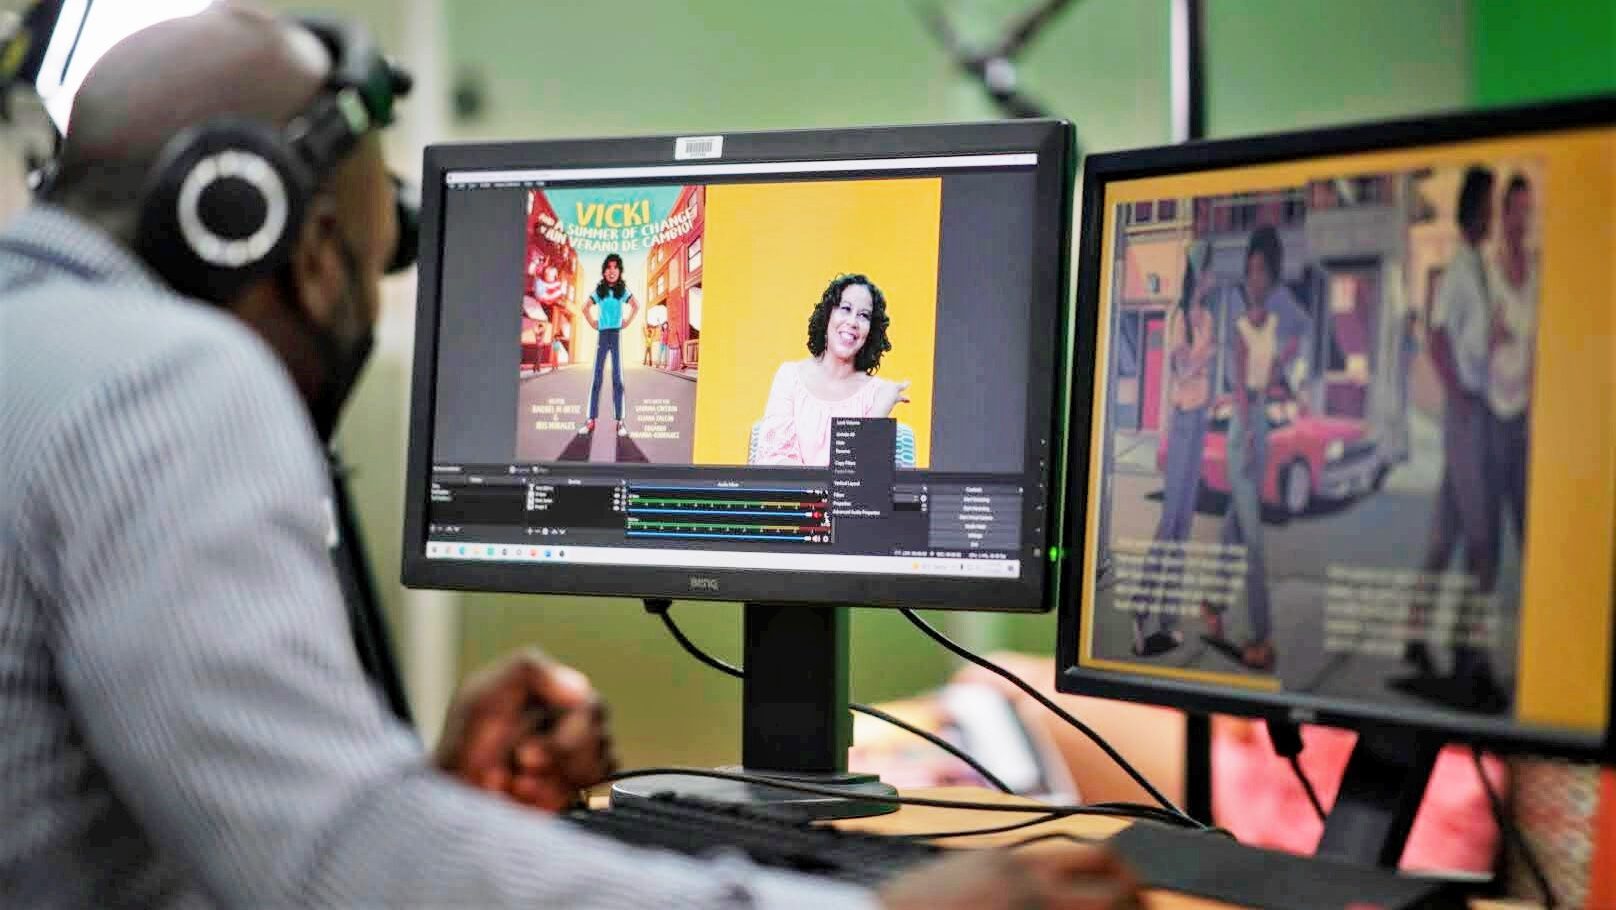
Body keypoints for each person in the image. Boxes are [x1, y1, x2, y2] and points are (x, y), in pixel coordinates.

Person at [0, 6, 1140, 908]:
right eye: (362, 256)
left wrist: (424, 802)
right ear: (273, 237)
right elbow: (331, 865)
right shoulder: (159, 381)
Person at [1403, 166, 1505, 713]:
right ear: (1475, 209)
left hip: (1477, 411)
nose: (1494, 215)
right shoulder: (1464, 270)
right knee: (1483, 545)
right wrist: (1461, 397)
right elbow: (1437, 335)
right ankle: (1471, 660)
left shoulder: (1478, 268)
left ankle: (1416, 636)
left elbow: (1462, 337)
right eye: (1489, 204)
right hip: (1468, 415)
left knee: (1445, 537)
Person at [1204, 226, 1287, 672]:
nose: (1256, 278)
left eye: (1263, 270)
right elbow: (1238, 383)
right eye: (1251, 270)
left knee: (1237, 522)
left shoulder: (1273, 324)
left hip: (1261, 423)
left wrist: (1273, 397)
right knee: (1252, 538)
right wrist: (1251, 429)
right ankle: (1261, 634)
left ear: (1271, 276)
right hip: (1243, 429)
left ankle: (1213, 603)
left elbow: (1270, 379)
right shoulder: (1238, 326)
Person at [1130, 249, 1216, 657]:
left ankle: (1166, 620)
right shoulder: (1179, 318)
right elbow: (1182, 367)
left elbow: (1196, 367)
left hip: (1199, 421)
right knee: (1169, 525)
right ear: (1199, 275)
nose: (1214, 278)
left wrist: (1202, 362)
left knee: (1183, 526)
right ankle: (1141, 609)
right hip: (1182, 422)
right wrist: (1204, 356)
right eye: (1210, 270)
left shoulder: (1207, 319)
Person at [755, 273, 911, 466]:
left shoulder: (879, 394)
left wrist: (878, 413)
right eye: (845, 308)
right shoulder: (789, 376)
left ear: (871, 330)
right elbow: (774, 465)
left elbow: (861, 481)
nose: (853, 322)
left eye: (863, 315)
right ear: (828, 315)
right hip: (794, 498)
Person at [1486, 173, 1535, 558]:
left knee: (1525, 520)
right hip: (1490, 413)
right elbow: (1469, 344)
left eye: (1527, 211)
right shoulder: (1486, 269)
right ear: (1502, 214)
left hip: (1522, 415)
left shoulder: (1538, 271)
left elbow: (1540, 344)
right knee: (1488, 530)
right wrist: (1490, 334)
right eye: (1516, 211)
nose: (1522, 220)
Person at [579, 252, 637, 437]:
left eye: (615, 268)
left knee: (617, 378)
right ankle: (590, 420)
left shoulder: (622, 291)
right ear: (604, 271)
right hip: (603, 335)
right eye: (608, 268)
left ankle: (620, 422)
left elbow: (636, 305)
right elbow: (584, 307)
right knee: (597, 377)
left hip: (616, 335)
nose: (612, 271)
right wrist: (592, 322)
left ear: (620, 271)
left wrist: (626, 322)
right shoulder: (600, 292)